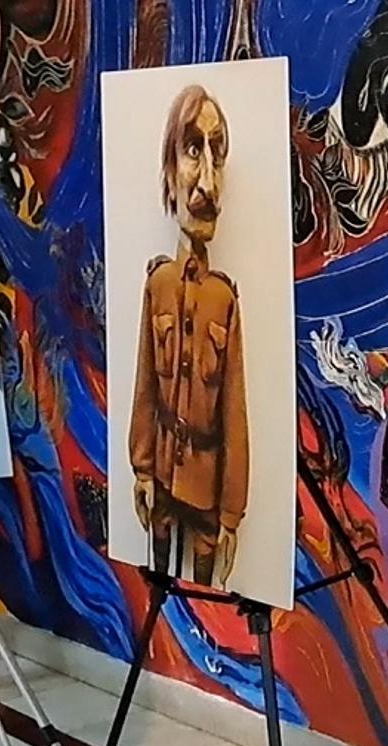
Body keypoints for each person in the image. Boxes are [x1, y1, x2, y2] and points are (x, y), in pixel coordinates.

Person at [129, 85, 247, 590]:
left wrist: (231, 513)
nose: (207, 182)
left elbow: (235, 411)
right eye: (193, 150)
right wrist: (141, 468)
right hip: (161, 478)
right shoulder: (157, 284)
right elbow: (144, 386)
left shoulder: (224, 299)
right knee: (157, 588)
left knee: (201, 593)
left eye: (217, 154)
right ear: (169, 169)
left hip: (205, 489)